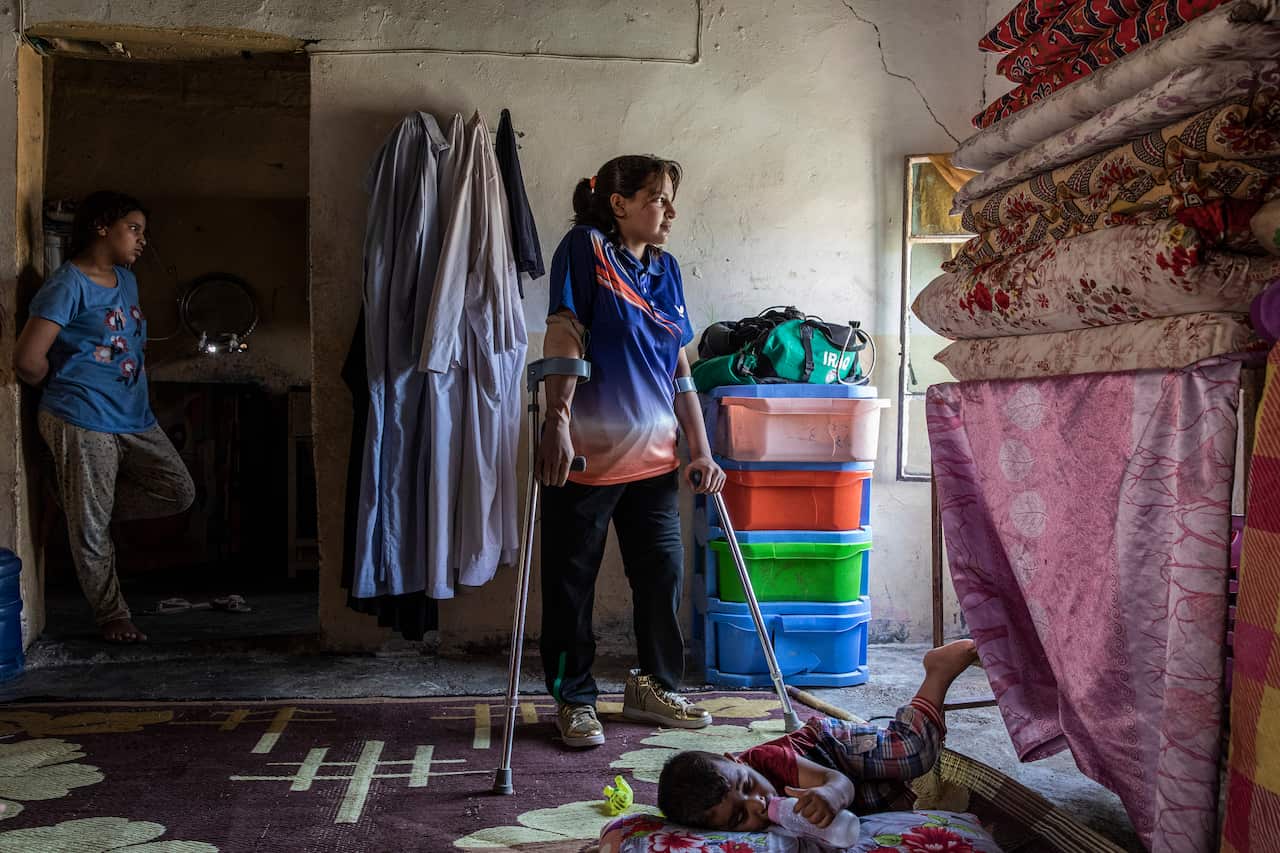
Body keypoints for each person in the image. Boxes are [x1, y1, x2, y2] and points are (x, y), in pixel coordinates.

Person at [536, 155, 727, 748]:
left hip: (655, 456)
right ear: (619, 203)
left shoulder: (666, 270)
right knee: (572, 584)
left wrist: (701, 447)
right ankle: (575, 698)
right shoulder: (585, 248)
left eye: (671, 199)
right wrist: (556, 422)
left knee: (662, 574)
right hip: (588, 454)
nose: (668, 211)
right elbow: (565, 329)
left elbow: (680, 367)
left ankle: (654, 685)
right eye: (657, 198)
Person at [13, 191, 195, 644]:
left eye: (142, 231)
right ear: (101, 227)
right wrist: (71, 389)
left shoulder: (125, 281)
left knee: (178, 491)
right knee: (91, 527)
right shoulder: (67, 284)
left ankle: (76, 505)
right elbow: (27, 360)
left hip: (133, 416)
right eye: (133, 229)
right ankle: (112, 615)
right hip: (81, 416)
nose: (141, 241)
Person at [656, 639, 980, 831]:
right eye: (739, 817)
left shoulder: (767, 761)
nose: (758, 803)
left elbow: (839, 782)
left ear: (734, 760)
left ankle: (938, 669)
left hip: (832, 748)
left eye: (747, 784)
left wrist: (831, 795)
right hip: (842, 788)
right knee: (877, 817)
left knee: (912, 753)